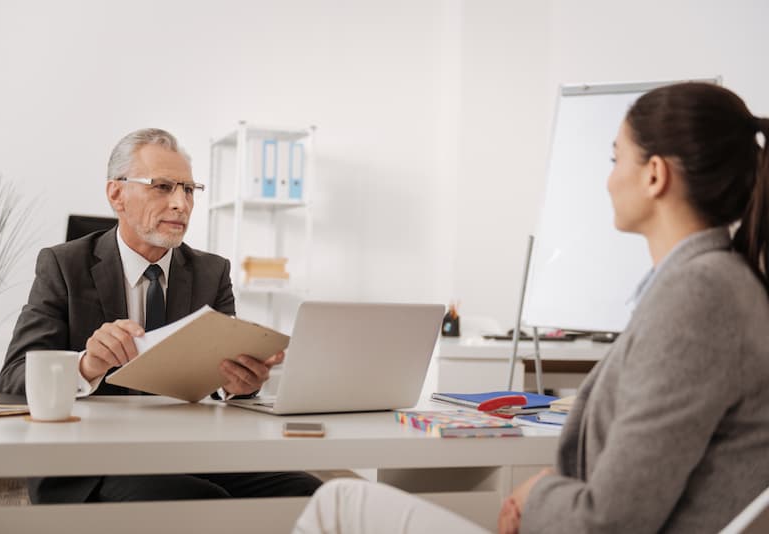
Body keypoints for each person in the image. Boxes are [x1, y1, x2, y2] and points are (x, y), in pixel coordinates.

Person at [292, 82, 769, 534]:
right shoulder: (719, 282)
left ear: (654, 174)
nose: (607, 180)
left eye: (614, 158)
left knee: (339, 502)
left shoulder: (700, 296)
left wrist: (540, 491)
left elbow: (610, 522)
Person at [0, 128, 321, 504]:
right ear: (116, 194)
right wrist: (86, 366)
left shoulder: (211, 272)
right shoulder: (63, 265)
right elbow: (12, 379)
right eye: (163, 187)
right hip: (89, 464)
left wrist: (240, 383)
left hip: (190, 454)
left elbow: (225, 385)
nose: (181, 204)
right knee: (192, 499)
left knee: (309, 492)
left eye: (188, 189)